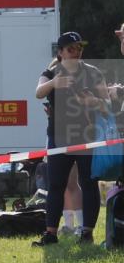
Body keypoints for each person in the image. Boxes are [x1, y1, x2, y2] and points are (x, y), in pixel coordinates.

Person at [33, 31, 110, 246]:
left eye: (79, 48)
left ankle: (87, 232)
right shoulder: (50, 73)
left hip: (87, 136)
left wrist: (93, 102)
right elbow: (38, 92)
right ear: (60, 52)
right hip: (59, 138)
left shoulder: (92, 73)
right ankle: (51, 234)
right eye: (71, 49)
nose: (76, 52)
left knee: (89, 183)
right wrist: (53, 84)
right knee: (56, 184)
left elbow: (107, 105)